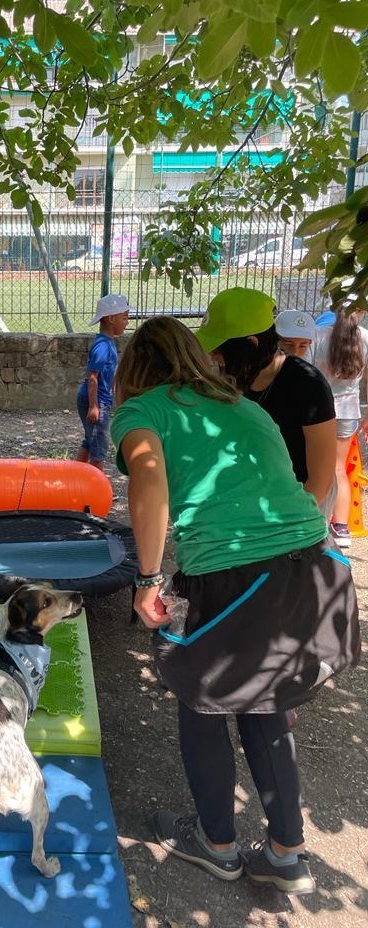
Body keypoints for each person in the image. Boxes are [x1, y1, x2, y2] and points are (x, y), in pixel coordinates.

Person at [111, 316, 359, 895]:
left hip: (235, 573)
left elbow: (148, 478)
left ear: (135, 370)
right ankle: (286, 852)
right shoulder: (244, 406)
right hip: (314, 567)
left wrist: (147, 578)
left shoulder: (143, 410)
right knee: (263, 699)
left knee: (201, 695)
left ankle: (217, 844)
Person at [197, 288, 336, 516]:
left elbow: (320, 480)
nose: (213, 356)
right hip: (255, 498)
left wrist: (293, 520)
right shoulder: (235, 379)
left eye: (219, 350)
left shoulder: (308, 385)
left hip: (302, 502)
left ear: (251, 344)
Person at [310, 309, 368, 549]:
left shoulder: (317, 334)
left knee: (314, 467)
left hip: (318, 409)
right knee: (338, 469)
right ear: (361, 311)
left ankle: (316, 523)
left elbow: (306, 371)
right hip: (348, 411)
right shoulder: (365, 337)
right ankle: (342, 528)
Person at [76, 293, 132, 470]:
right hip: (96, 401)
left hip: (99, 399)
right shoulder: (103, 346)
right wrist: (94, 406)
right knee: (98, 449)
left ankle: (72, 478)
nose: (127, 323)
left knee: (90, 442)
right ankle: (97, 485)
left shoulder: (107, 342)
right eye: (124, 318)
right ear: (111, 319)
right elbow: (93, 376)